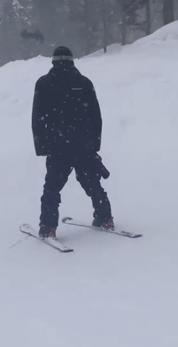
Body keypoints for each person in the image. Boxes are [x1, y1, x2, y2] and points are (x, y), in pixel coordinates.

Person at [32, 46, 113, 239]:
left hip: (57, 145)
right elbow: (96, 117)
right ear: (72, 61)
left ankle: (48, 227)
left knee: (52, 187)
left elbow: (37, 118)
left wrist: (42, 146)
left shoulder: (44, 84)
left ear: (53, 61)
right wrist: (94, 144)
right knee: (92, 182)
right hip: (83, 144)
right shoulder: (84, 83)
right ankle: (104, 217)